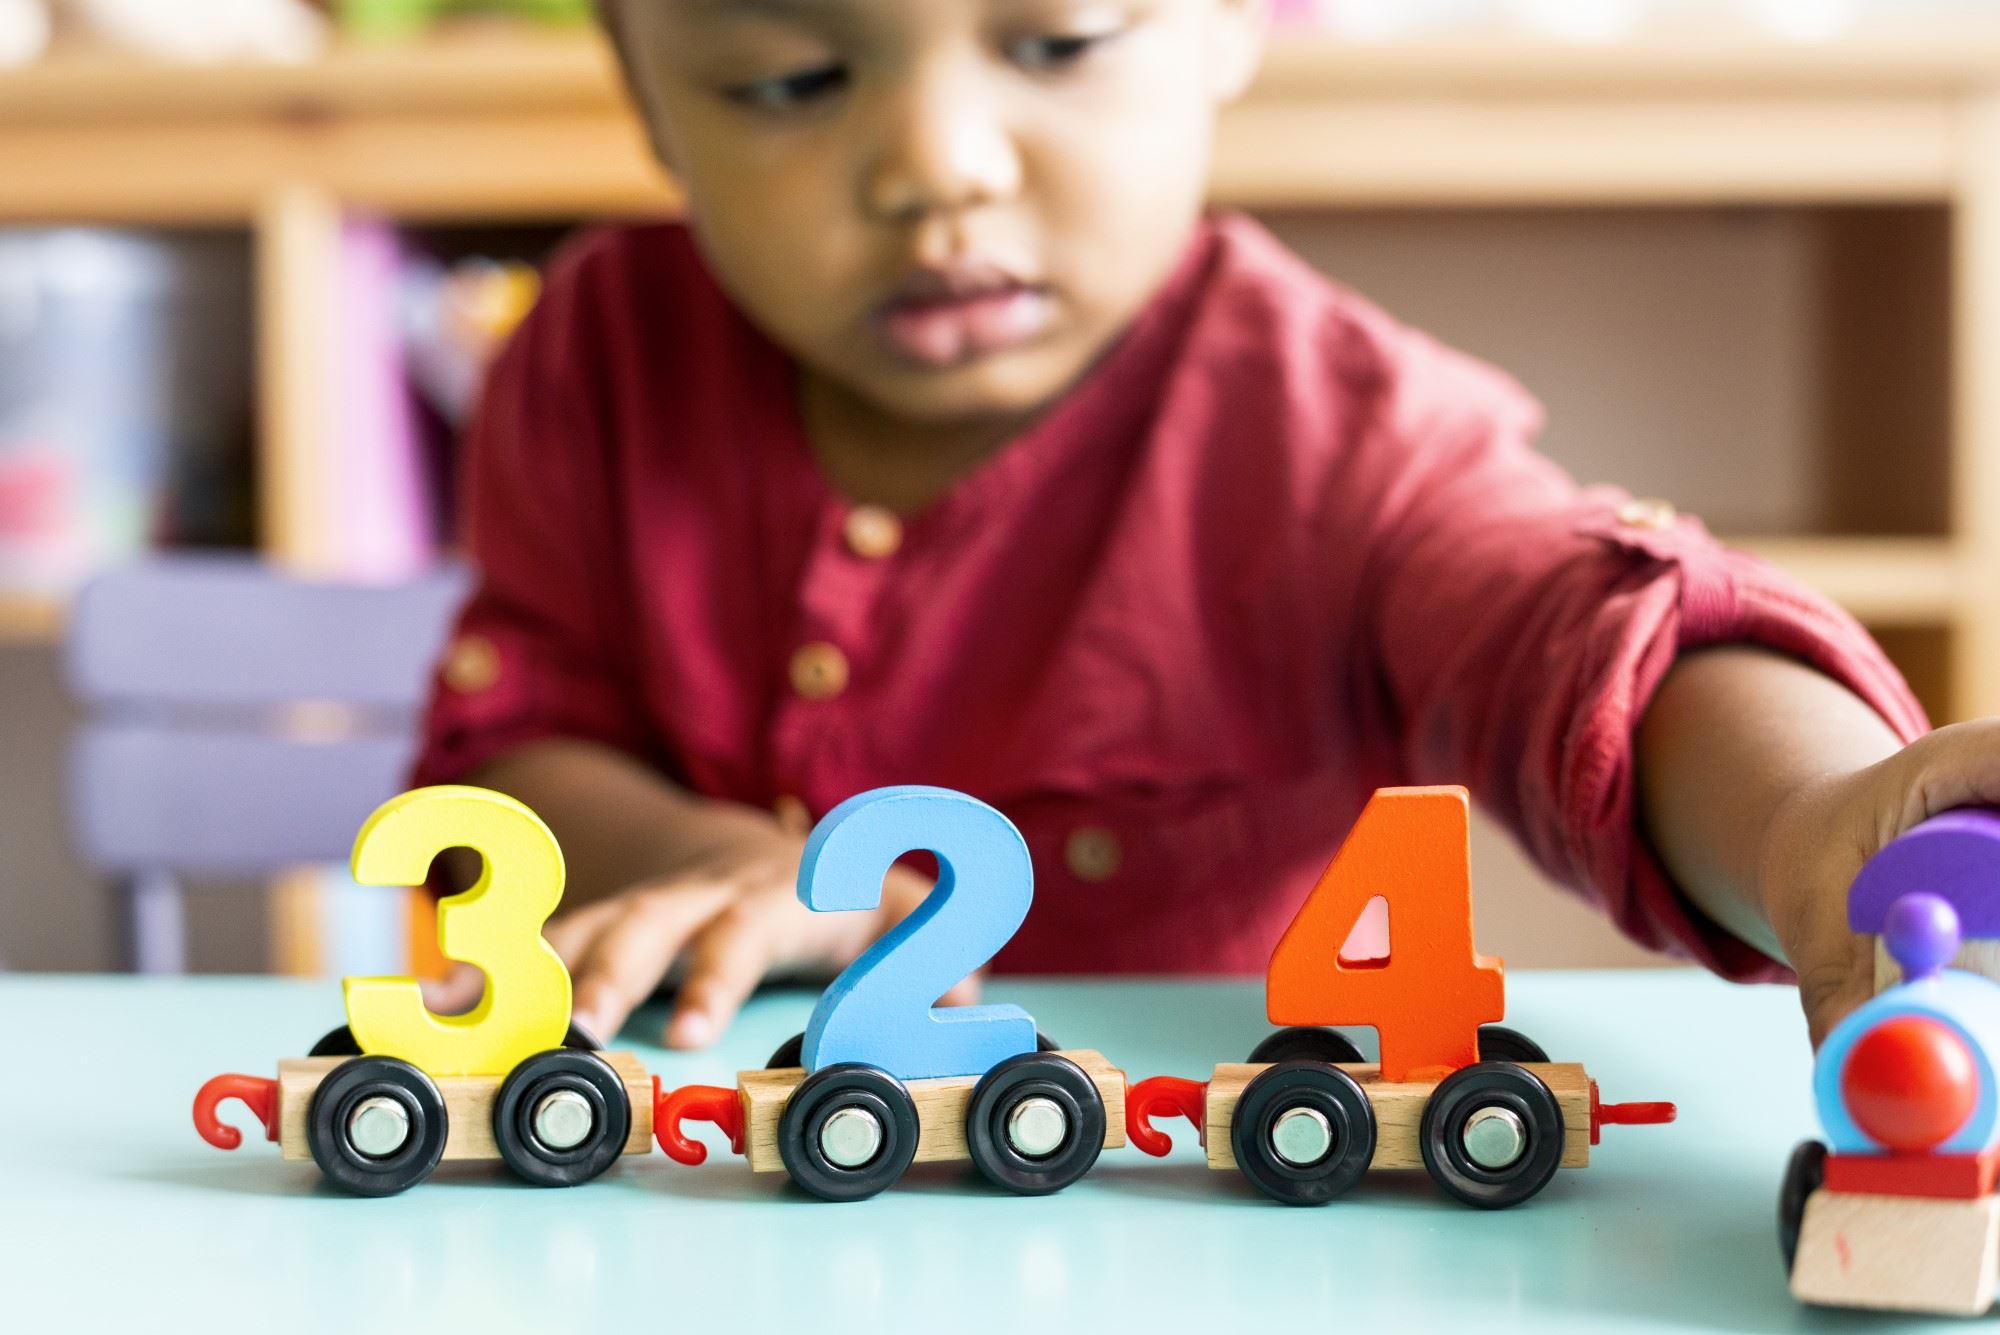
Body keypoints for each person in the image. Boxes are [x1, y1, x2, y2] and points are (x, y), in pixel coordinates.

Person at [412, 0, 1995, 1053]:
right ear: (645, 95)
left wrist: (1809, 825)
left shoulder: (1330, 424)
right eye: (790, 79)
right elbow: (516, 748)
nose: (938, 167)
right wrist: (717, 862)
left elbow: (1569, 633)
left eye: (1062, 39)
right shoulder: (594, 354)